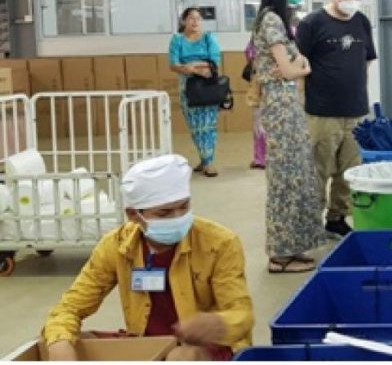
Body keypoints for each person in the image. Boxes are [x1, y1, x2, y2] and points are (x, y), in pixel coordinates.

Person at [43, 154, 254, 361]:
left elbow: (242, 314)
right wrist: (60, 345)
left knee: (182, 357)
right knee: (64, 341)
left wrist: (218, 323)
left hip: (203, 349)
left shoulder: (219, 243)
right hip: (147, 342)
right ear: (133, 215)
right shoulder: (116, 246)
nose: (178, 217)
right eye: (164, 213)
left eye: (184, 207)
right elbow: (69, 307)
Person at [252, 0, 325, 273]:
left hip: (287, 101)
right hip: (280, 105)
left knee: (298, 174)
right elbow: (290, 68)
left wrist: (297, 68)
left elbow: (290, 66)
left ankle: (293, 247)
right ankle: (280, 256)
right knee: (285, 177)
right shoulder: (271, 19)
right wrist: (302, 68)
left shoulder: (280, 20)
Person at [296, 0, 377, 238]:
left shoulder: (362, 21)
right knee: (318, 169)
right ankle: (311, 223)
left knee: (349, 170)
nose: (351, 1)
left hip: (355, 109)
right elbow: (298, 66)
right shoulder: (312, 23)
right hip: (321, 111)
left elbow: (366, 59)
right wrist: (301, 101)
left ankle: (337, 218)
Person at [168, 8, 222, 177]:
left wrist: (192, 66)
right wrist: (192, 69)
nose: (195, 22)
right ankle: (204, 159)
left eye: (198, 19)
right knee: (195, 127)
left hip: (208, 85)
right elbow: (173, 64)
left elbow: (215, 61)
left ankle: (209, 162)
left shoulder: (208, 38)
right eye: (191, 18)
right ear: (184, 21)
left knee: (208, 125)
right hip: (188, 87)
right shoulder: (177, 39)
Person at [243, 41, 266, 170]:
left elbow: (248, 54)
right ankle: (261, 158)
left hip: (261, 82)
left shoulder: (257, 37)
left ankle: (260, 158)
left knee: (259, 122)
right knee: (260, 122)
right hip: (265, 84)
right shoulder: (290, 33)